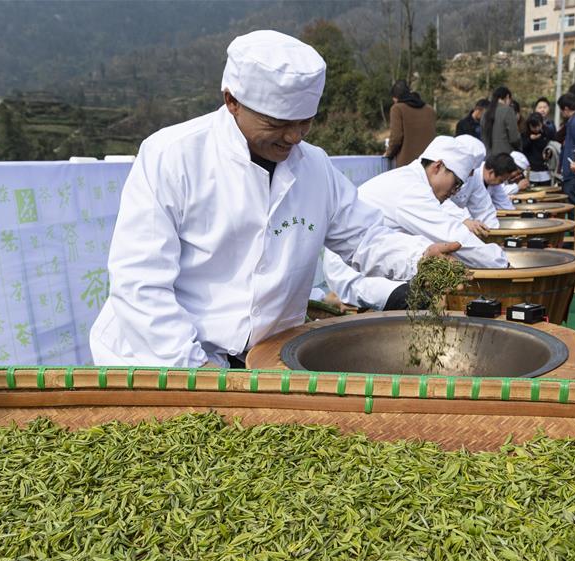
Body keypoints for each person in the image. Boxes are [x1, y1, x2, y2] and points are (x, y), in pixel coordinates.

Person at [90, 31, 458, 368]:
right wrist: (198, 373)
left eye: (305, 122)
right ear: (232, 101)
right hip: (161, 359)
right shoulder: (172, 157)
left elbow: (364, 237)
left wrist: (418, 257)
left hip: (261, 359)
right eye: (278, 123)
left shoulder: (314, 167)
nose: (294, 137)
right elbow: (141, 284)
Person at [359, 136, 509, 270]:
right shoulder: (411, 188)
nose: (455, 191)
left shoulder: (413, 179)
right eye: (455, 184)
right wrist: (503, 263)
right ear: (437, 167)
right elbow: (452, 236)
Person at [444, 135, 501, 236]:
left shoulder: (473, 178)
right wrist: (464, 219)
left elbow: (483, 208)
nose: (471, 174)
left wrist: (494, 233)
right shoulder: (436, 174)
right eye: (469, 170)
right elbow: (437, 202)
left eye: (473, 170)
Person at [384, 80, 436, 167]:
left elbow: (396, 137)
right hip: (428, 165)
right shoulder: (430, 110)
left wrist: (388, 154)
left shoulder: (397, 109)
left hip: (406, 166)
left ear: (395, 98)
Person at [481, 86, 521, 156]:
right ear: (507, 97)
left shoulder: (485, 113)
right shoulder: (508, 110)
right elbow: (514, 138)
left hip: (488, 156)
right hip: (504, 157)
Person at [521, 113, 553, 187]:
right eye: (533, 127)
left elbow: (552, 145)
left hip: (545, 168)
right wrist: (530, 139)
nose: (536, 129)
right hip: (531, 168)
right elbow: (522, 147)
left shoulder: (547, 132)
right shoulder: (525, 134)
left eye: (538, 126)